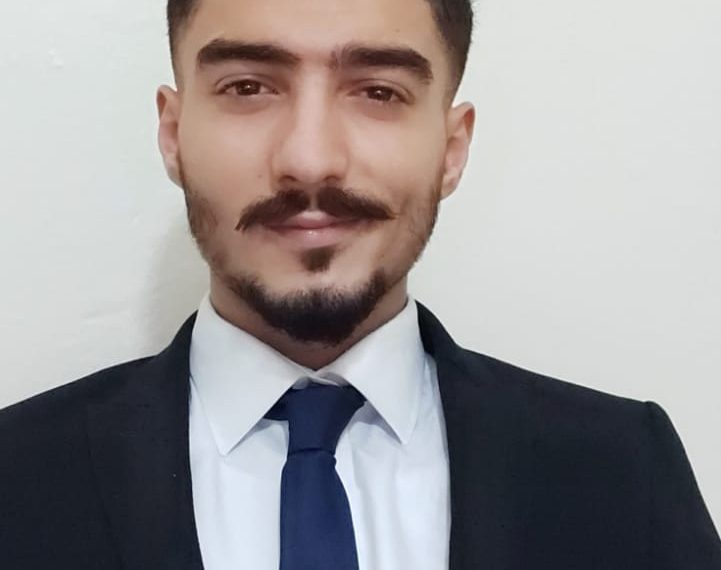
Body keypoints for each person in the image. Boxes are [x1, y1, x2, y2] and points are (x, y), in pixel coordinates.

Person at [1, 0, 719, 568]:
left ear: (452, 148)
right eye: (248, 87)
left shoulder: (624, 470)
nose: (310, 159)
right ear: (172, 132)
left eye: (378, 91)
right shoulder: (17, 478)